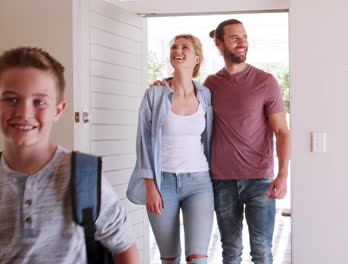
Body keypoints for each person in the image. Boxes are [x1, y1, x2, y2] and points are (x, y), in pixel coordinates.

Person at [0, 47, 138, 263]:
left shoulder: (84, 176)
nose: (24, 113)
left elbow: (124, 247)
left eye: (39, 101)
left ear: (57, 110)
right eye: (11, 99)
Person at [204, 19, 291, 264]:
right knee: (230, 251)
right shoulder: (211, 84)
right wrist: (162, 86)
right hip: (222, 181)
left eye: (244, 36)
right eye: (235, 38)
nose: (242, 42)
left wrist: (282, 174)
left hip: (259, 181)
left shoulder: (265, 81)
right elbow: (184, 99)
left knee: (261, 251)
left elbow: (282, 131)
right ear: (219, 44)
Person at [126, 34, 214, 264]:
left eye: (185, 47)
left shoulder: (205, 95)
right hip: (161, 182)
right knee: (170, 258)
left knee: (198, 258)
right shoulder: (154, 94)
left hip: (200, 183)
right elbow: (143, 142)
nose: (178, 50)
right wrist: (150, 186)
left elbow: (211, 137)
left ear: (197, 59)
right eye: (174, 46)